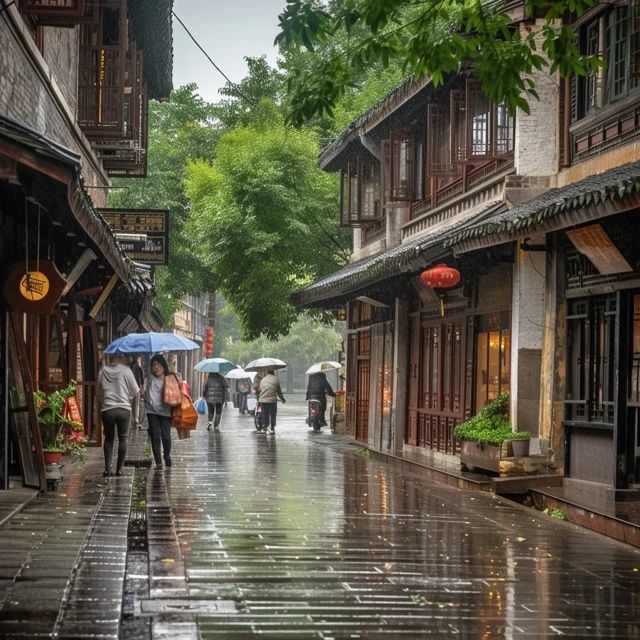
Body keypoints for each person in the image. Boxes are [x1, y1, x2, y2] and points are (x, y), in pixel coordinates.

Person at [97, 353, 140, 477]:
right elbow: (135, 390)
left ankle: (107, 469)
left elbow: (99, 392)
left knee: (109, 439)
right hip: (124, 409)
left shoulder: (102, 371)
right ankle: (119, 469)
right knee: (123, 438)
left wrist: (101, 404)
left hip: (108, 409)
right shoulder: (127, 371)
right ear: (121, 357)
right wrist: (128, 397)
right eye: (126, 357)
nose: (128, 360)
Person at [142, 354, 173, 469]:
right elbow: (142, 391)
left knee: (166, 436)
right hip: (152, 411)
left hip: (165, 411)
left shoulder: (170, 379)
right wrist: (141, 391)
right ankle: (158, 461)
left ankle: (167, 455)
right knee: (155, 435)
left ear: (163, 366)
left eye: (156, 365)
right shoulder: (149, 379)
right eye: (153, 365)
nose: (154, 368)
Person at [258, 369, 286, 435]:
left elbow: (260, 389)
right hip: (272, 400)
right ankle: (272, 427)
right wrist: (283, 399)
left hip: (263, 400)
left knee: (265, 413)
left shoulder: (263, 379)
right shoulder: (276, 379)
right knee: (273, 414)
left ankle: (265, 427)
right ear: (273, 373)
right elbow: (279, 392)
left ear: (267, 373)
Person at [129, 356, 144, 431]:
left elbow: (141, 378)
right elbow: (142, 379)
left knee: (132, 404)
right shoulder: (138, 367)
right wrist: (141, 387)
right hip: (137, 388)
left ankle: (133, 419)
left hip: (131, 388)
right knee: (136, 405)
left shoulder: (130, 367)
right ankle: (135, 419)